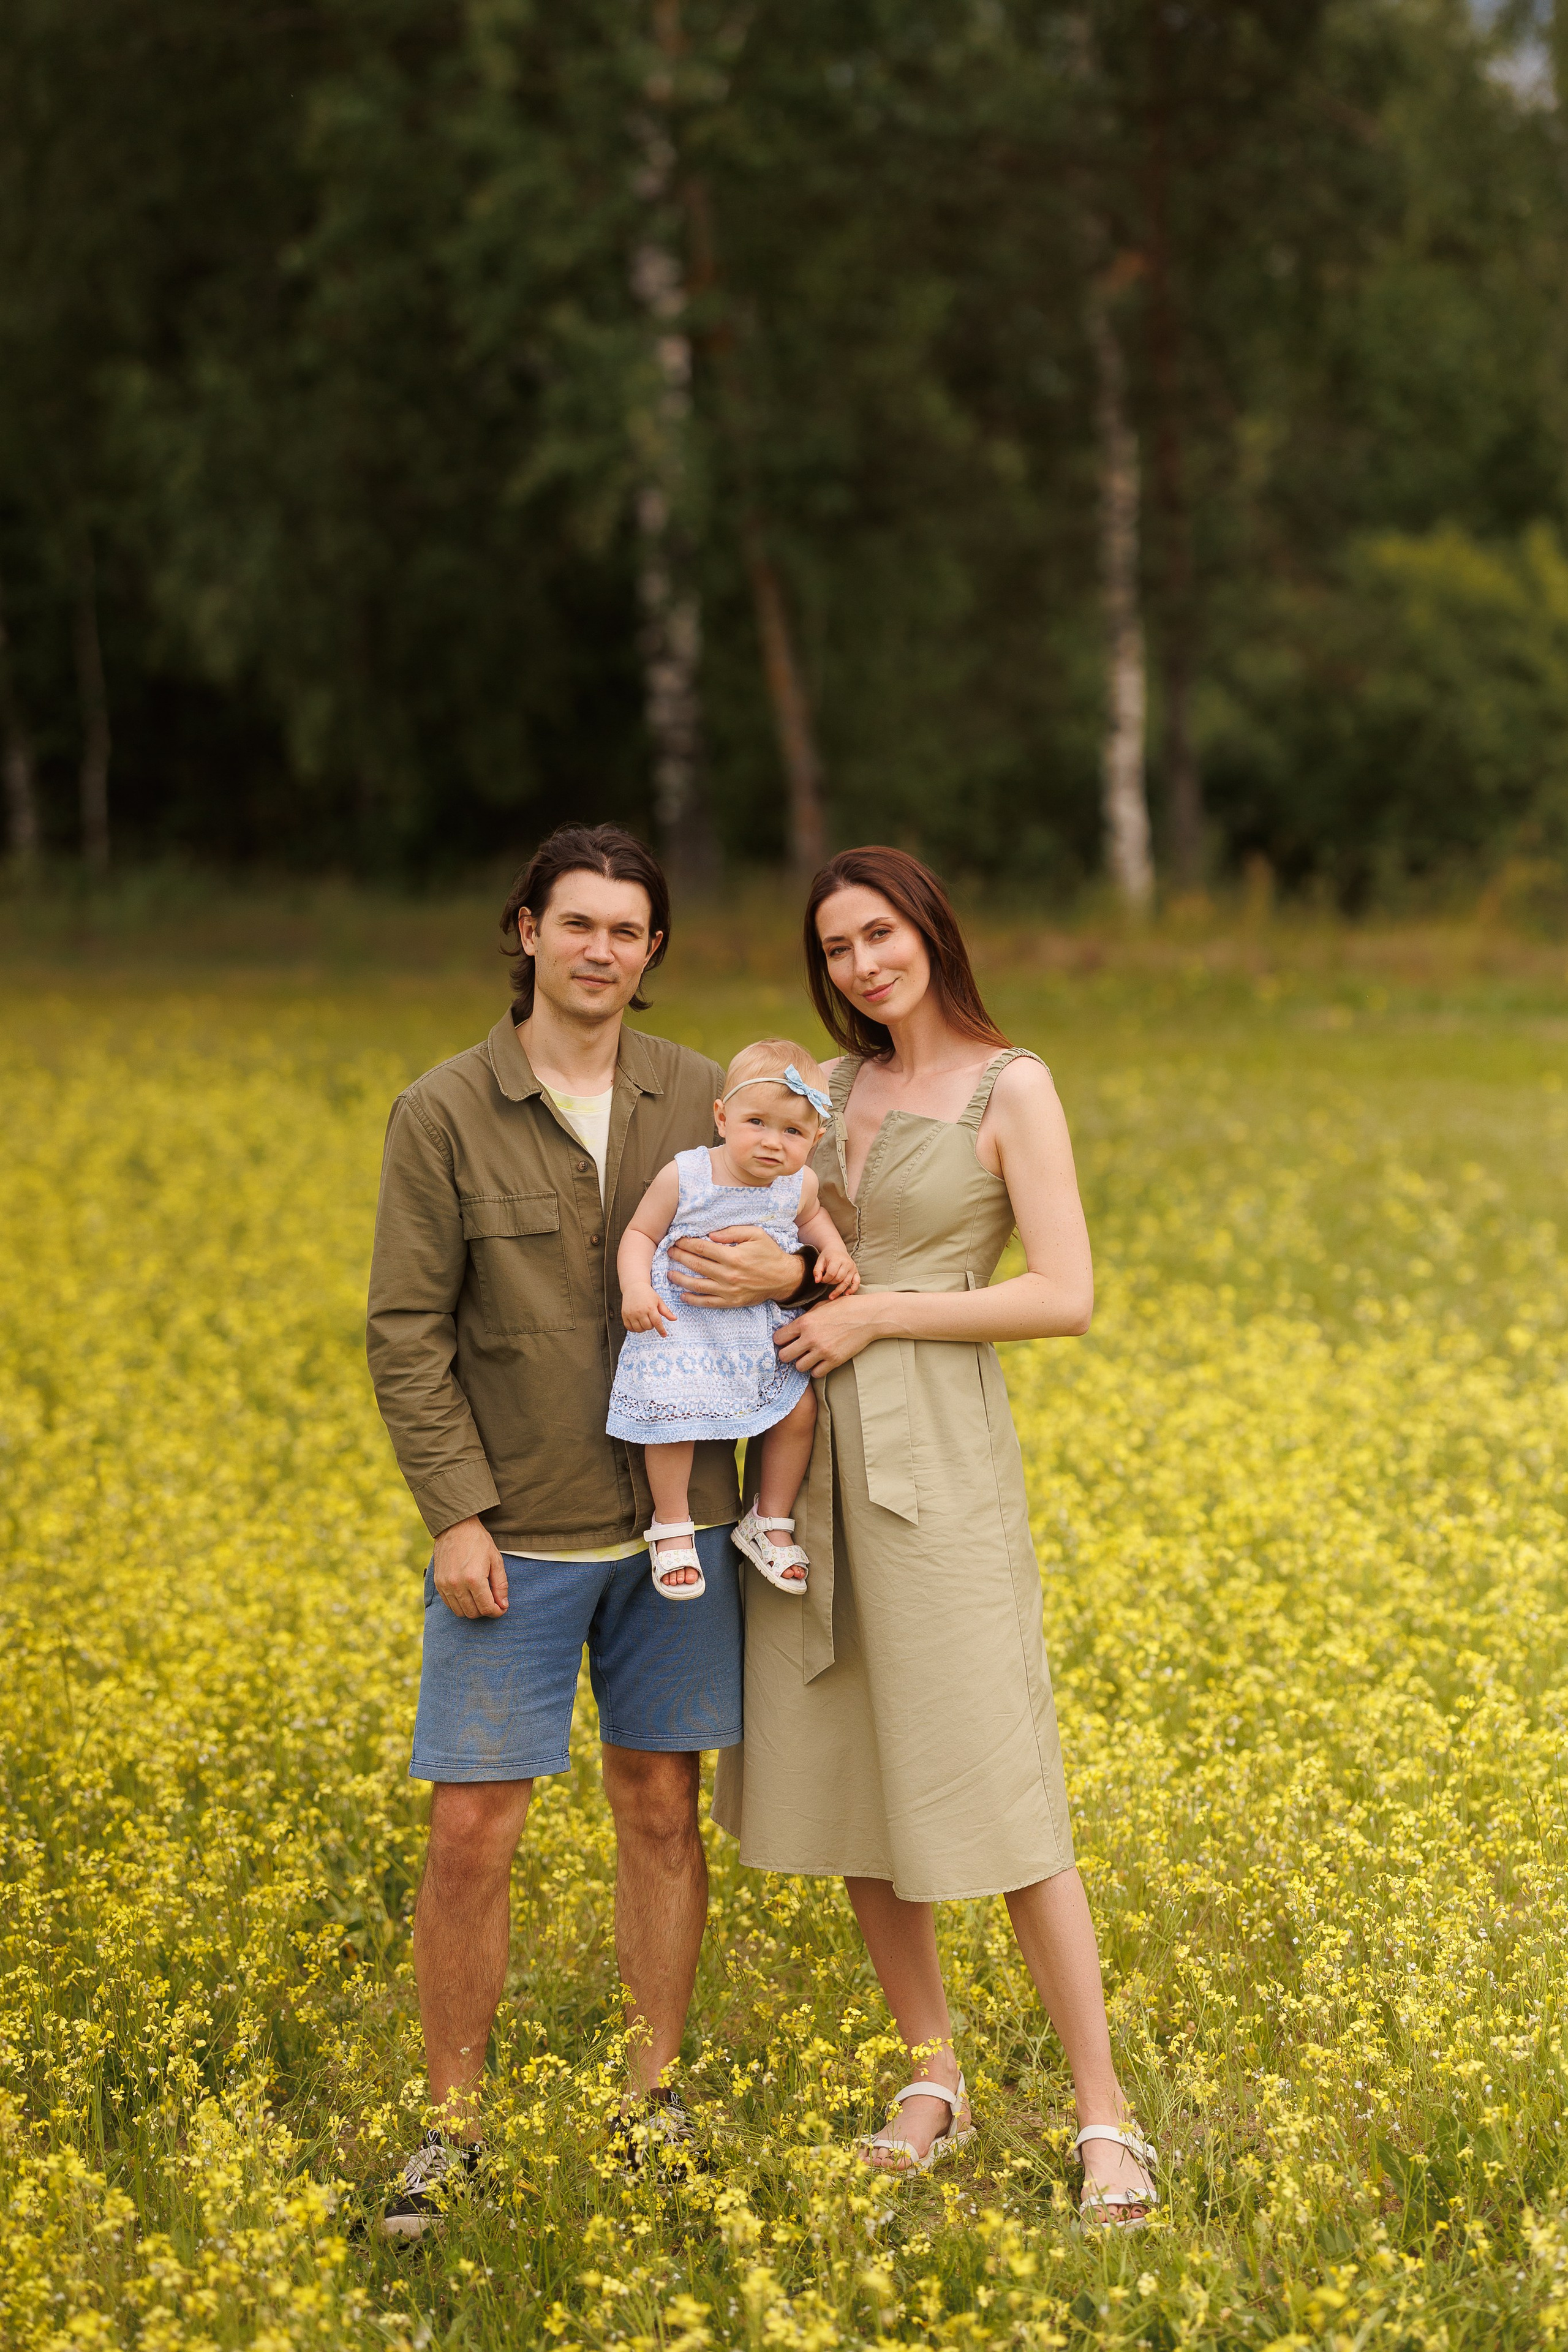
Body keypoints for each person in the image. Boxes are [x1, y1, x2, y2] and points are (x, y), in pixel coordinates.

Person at [364, 823, 814, 2238]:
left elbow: (814, 1226)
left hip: (680, 1527)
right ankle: (449, 2131)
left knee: (660, 1810)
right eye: (578, 924)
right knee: (471, 1830)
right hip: (520, 1534)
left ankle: (652, 2099)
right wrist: (453, 1512)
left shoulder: (708, 1094)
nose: (602, 949)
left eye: (628, 929)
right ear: (525, 931)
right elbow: (404, 1330)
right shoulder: (441, 1110)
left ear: (652, 951)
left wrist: (798, 1262)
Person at [712, 845, 1158, 2228]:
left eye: (878, 934)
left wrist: (875, 1312)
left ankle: (1106, 2119)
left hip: (936, 1461)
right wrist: (780, 1279)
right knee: (849, 1769)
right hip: (800, 1450)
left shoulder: (1006, 1086)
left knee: (1003, 1789)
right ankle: (932, 2079)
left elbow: (1063, 1293)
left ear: (927, 932)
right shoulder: (824, 1090)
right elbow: (771, 1217)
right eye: (836, 947)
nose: (860, 964)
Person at [607, 1039, 860, 1599]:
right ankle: (671, 1524)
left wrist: (834, 1254)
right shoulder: (688, 1175)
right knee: (675, 1419)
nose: (772, 1142)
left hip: (754, 1330)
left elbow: (814, 1221)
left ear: (815, 1139)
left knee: (798, 1411)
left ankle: (768, 1519)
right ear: (721, 1117)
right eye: (756, 1123)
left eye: (793, 1132)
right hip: (683, 1324)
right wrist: (634, 1288)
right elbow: (640, 1234)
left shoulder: (800, 1186)